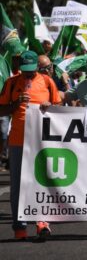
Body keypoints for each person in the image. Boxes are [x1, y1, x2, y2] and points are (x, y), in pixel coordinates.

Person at [0, 50, 61, 240]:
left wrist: (48, 105)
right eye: (24, 70)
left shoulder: (47, 81)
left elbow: (59, 108)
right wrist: (15, 104)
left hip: (42, 140)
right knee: (18, 185)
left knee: (42, 181)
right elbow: (1, 110)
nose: (27, 74)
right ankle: (19, 228)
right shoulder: (11, 83)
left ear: (37, 66)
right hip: (18, 141)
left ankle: (42, 222)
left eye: (31, 70)